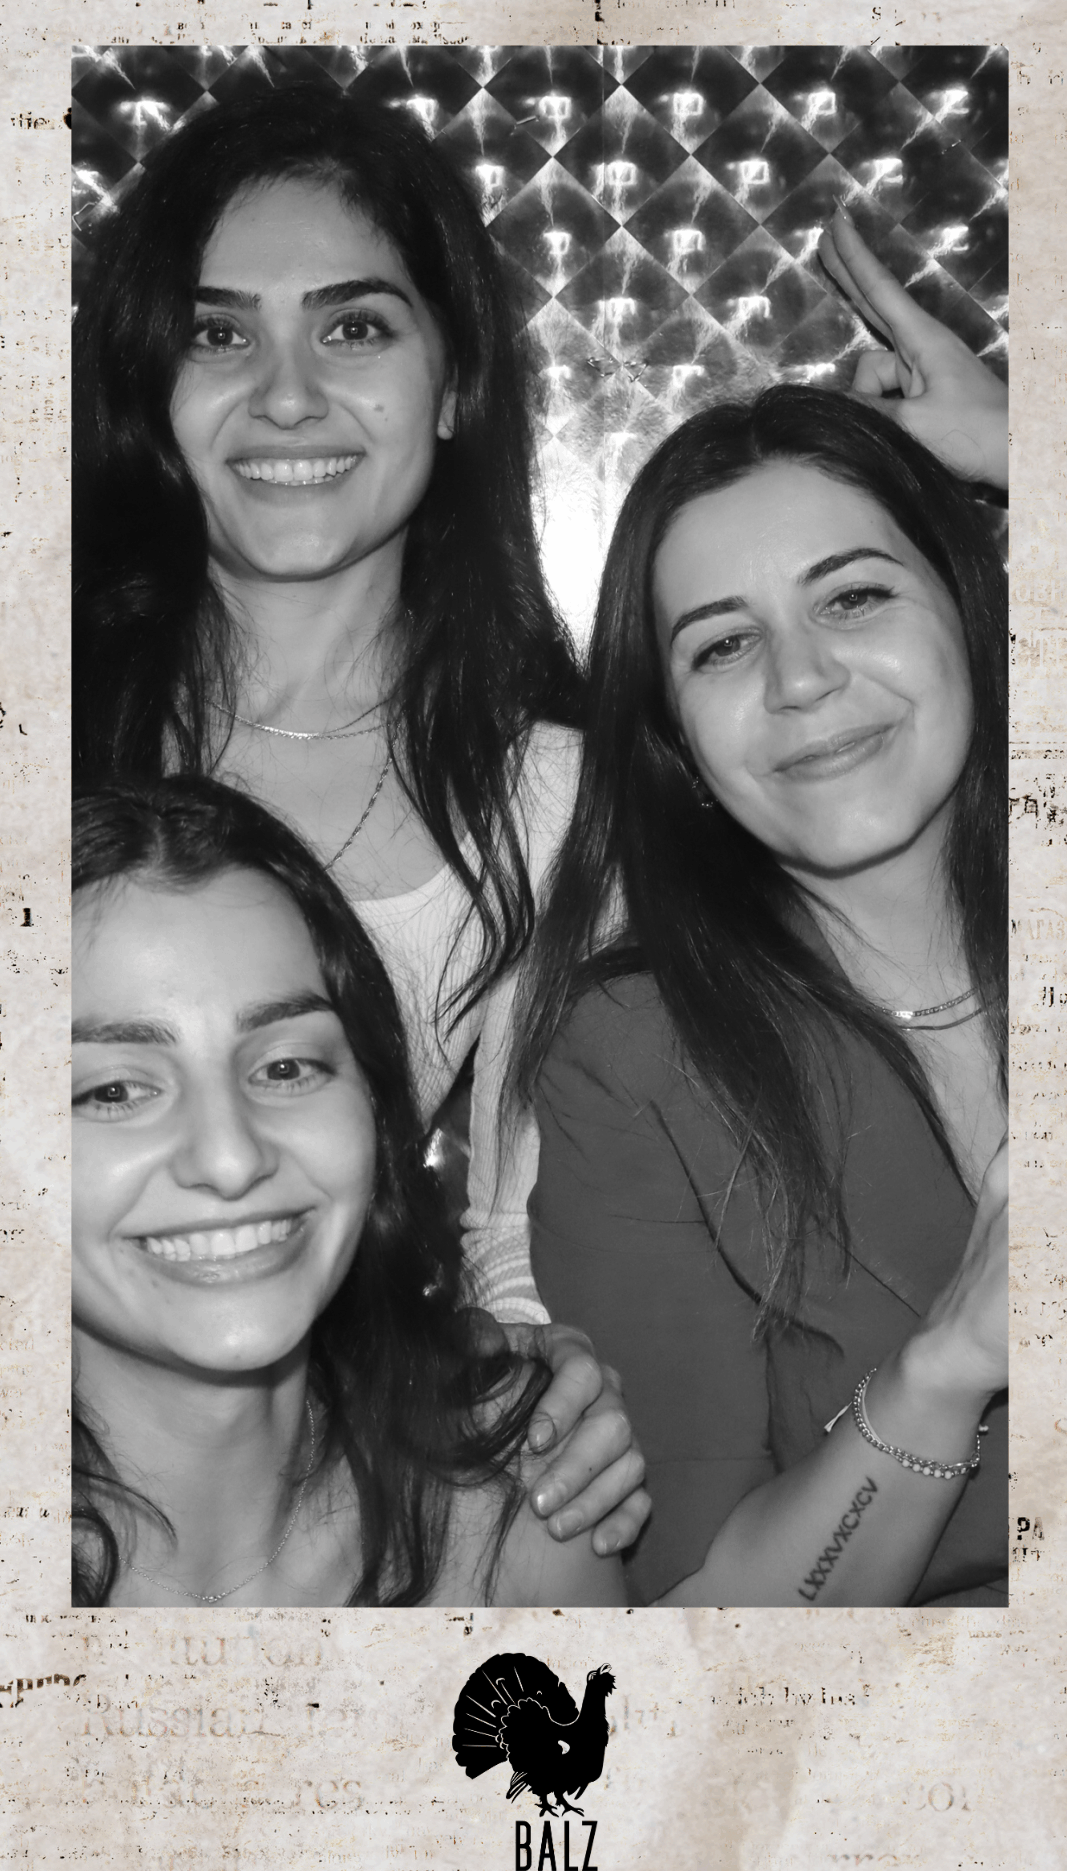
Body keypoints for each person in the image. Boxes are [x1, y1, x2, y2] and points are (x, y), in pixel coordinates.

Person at [72, 81, 644, 1555]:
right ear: (152, 391)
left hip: (329, 1476)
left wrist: (543, 1373)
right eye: (218, 335)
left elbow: (509, 1232)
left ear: (452, 384)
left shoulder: (554, 799)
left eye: (354, 327)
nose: (285, 395)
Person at [74, 777, 1004, 1611]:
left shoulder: (508, 1496)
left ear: (374, 1106)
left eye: (285, 1067)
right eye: (112, 1090)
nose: (229, 1157)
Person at [519, 369, 1009, 1605]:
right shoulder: (632, 1058)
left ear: (967, 610)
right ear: (675, 739)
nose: (801, 679)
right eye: (724, 644)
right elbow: (704, 1616)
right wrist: (948, 1367)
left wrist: (1028, 448)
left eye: (853, 597)